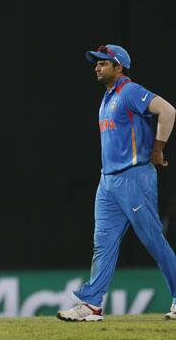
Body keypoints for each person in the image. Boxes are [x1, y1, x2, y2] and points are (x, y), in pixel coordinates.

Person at [57, 44, 176, 322]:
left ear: (118, 66)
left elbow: (168, 111)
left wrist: (158, 148)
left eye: (103, 63)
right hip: (108, 182)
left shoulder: (130, 92)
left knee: (153, 240)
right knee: (103, 243)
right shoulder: (107, 97)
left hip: (134, 177)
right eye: (96, 63)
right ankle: (91, 304)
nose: (97, 67)